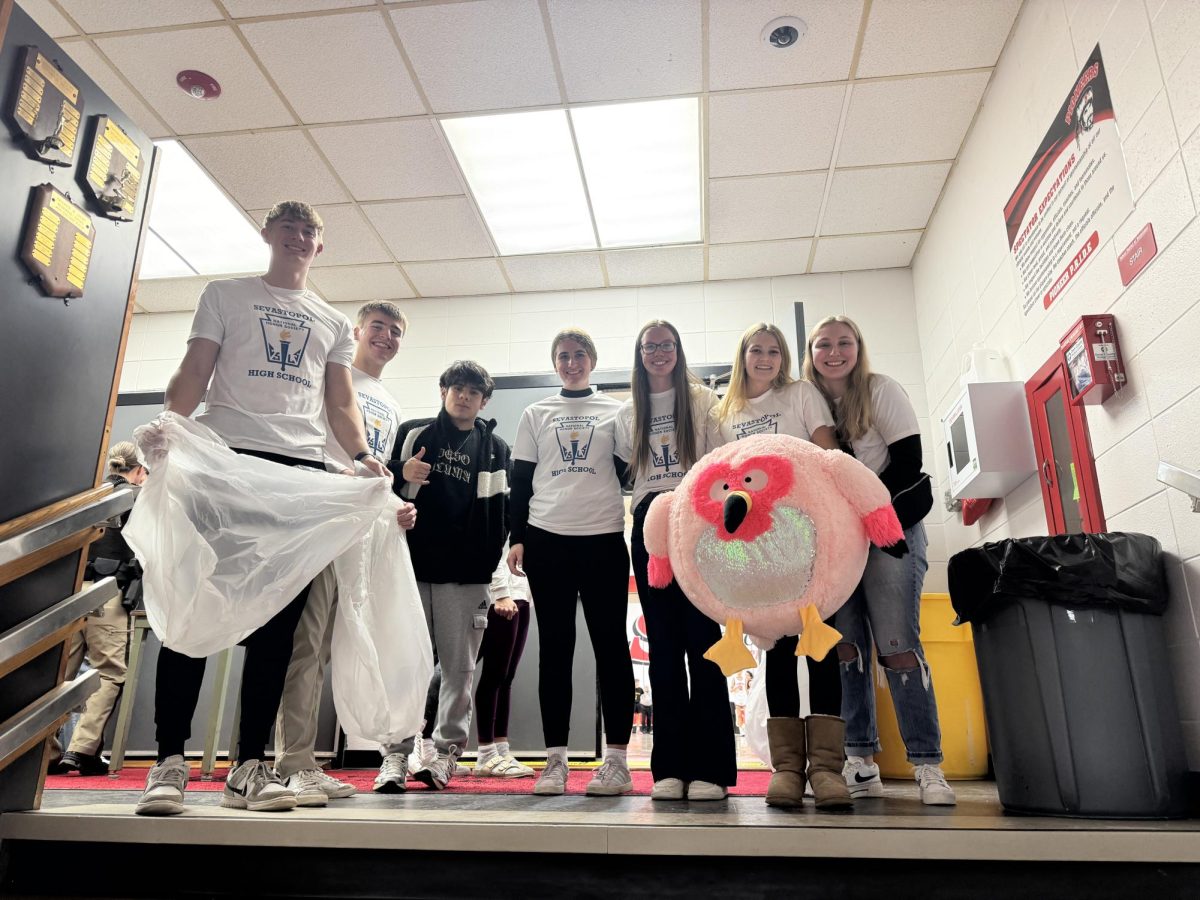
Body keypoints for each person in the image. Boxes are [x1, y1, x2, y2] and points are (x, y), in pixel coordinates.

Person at [136, 201, 392, 816]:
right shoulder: (226, 294)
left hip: (295, 475)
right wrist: (172, 422)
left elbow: (339, 401)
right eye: (290, 228)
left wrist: (361, 455)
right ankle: (169, 762)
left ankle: (248, 766)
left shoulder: (331, 320)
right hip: (224, 462)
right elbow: (196, 369)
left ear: (319, 247)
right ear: (268, 235)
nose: (300, 238)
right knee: (193, 606)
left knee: (278, 626)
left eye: (310, 232)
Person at [803, 314, 955, 807]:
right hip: (838, 542)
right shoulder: (805, 402)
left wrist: (869, 515)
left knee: (897, 645)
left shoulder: (881, 390)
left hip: (890, 528)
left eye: (844, 342)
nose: (834, 351)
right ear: (810, 352)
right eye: (823, 344)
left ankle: (928, 764)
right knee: (845, 647)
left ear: (858, 346)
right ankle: (860, 759)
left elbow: (910, 465)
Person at [274, 301, 416, 806]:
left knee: (338, 645)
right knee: (306, 643)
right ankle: (292, 762)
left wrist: (399, 506)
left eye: (396, 332)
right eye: (379, 327)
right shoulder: (332, 377)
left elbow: (377, 474)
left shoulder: (391, 403)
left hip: (364, 531)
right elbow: (316, 448)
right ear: (357, 331)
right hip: (323, 519)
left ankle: (303, 759)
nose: (387, 337)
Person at [712, 322, 851, 811]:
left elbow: (828, 452)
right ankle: (788, 769)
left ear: (784, 357)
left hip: (811, 535)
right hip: (761, 546)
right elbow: (720, 478)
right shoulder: (725, 410)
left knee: (820, 644)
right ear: (742, 355)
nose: (765, 358)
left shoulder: (801, 394)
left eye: (774, 351)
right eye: (756, 350)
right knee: (777, 649)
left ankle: (829, 770)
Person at [507, 328, 634, 797]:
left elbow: (627, 472)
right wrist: (517, 537)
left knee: (610, 647)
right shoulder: (536, 412)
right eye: (563, 356)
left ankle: (617, 760)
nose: (571, 362)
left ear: (593, 360)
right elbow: (520, 481)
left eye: (579, 355)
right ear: (555, 363)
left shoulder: (616, 410)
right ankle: (555, 761)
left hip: (602, 539)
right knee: (555, 651)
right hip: (547, 541)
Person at [374, 360, 510, 792]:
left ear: (483, 400)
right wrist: (400, 471)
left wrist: (486, 566)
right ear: (443, 391)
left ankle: (446, 754)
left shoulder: (496, 449)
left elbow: (502, 514)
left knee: (458, 670)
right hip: (413, 569)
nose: (464, 396)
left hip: (467, 576)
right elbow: (383, 489)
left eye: (473, 391)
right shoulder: (417, 433)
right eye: (457, 388)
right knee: (406, 666)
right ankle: (395, 756)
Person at [616, 320, 734, 801]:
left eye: (666, 345)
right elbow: (630, 474)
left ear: (678, 350)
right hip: (649, 525)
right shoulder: (629, 412)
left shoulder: (703, 400)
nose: (658, 353)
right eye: (649, 347)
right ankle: (668, 767)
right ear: (639, 354)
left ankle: (709, 769)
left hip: (697, 521)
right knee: (663, 647)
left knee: (704, 642)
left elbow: (722, 463)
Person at [53, 443, 148, 776]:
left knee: (60, 675)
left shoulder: (88, 496)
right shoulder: (136, 499)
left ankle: (46, 752)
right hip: (108, 593)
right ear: (139, 471)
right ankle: (83, 749)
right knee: (109, 672)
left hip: (72, 592)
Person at [472, 548, 535, 778]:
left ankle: (500, 750)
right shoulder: (506, 511)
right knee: (492, 675)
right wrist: (500, 591)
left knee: (506, 678)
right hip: (499, 597)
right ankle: (485, 752)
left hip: (521, 595)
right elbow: (496, 544)